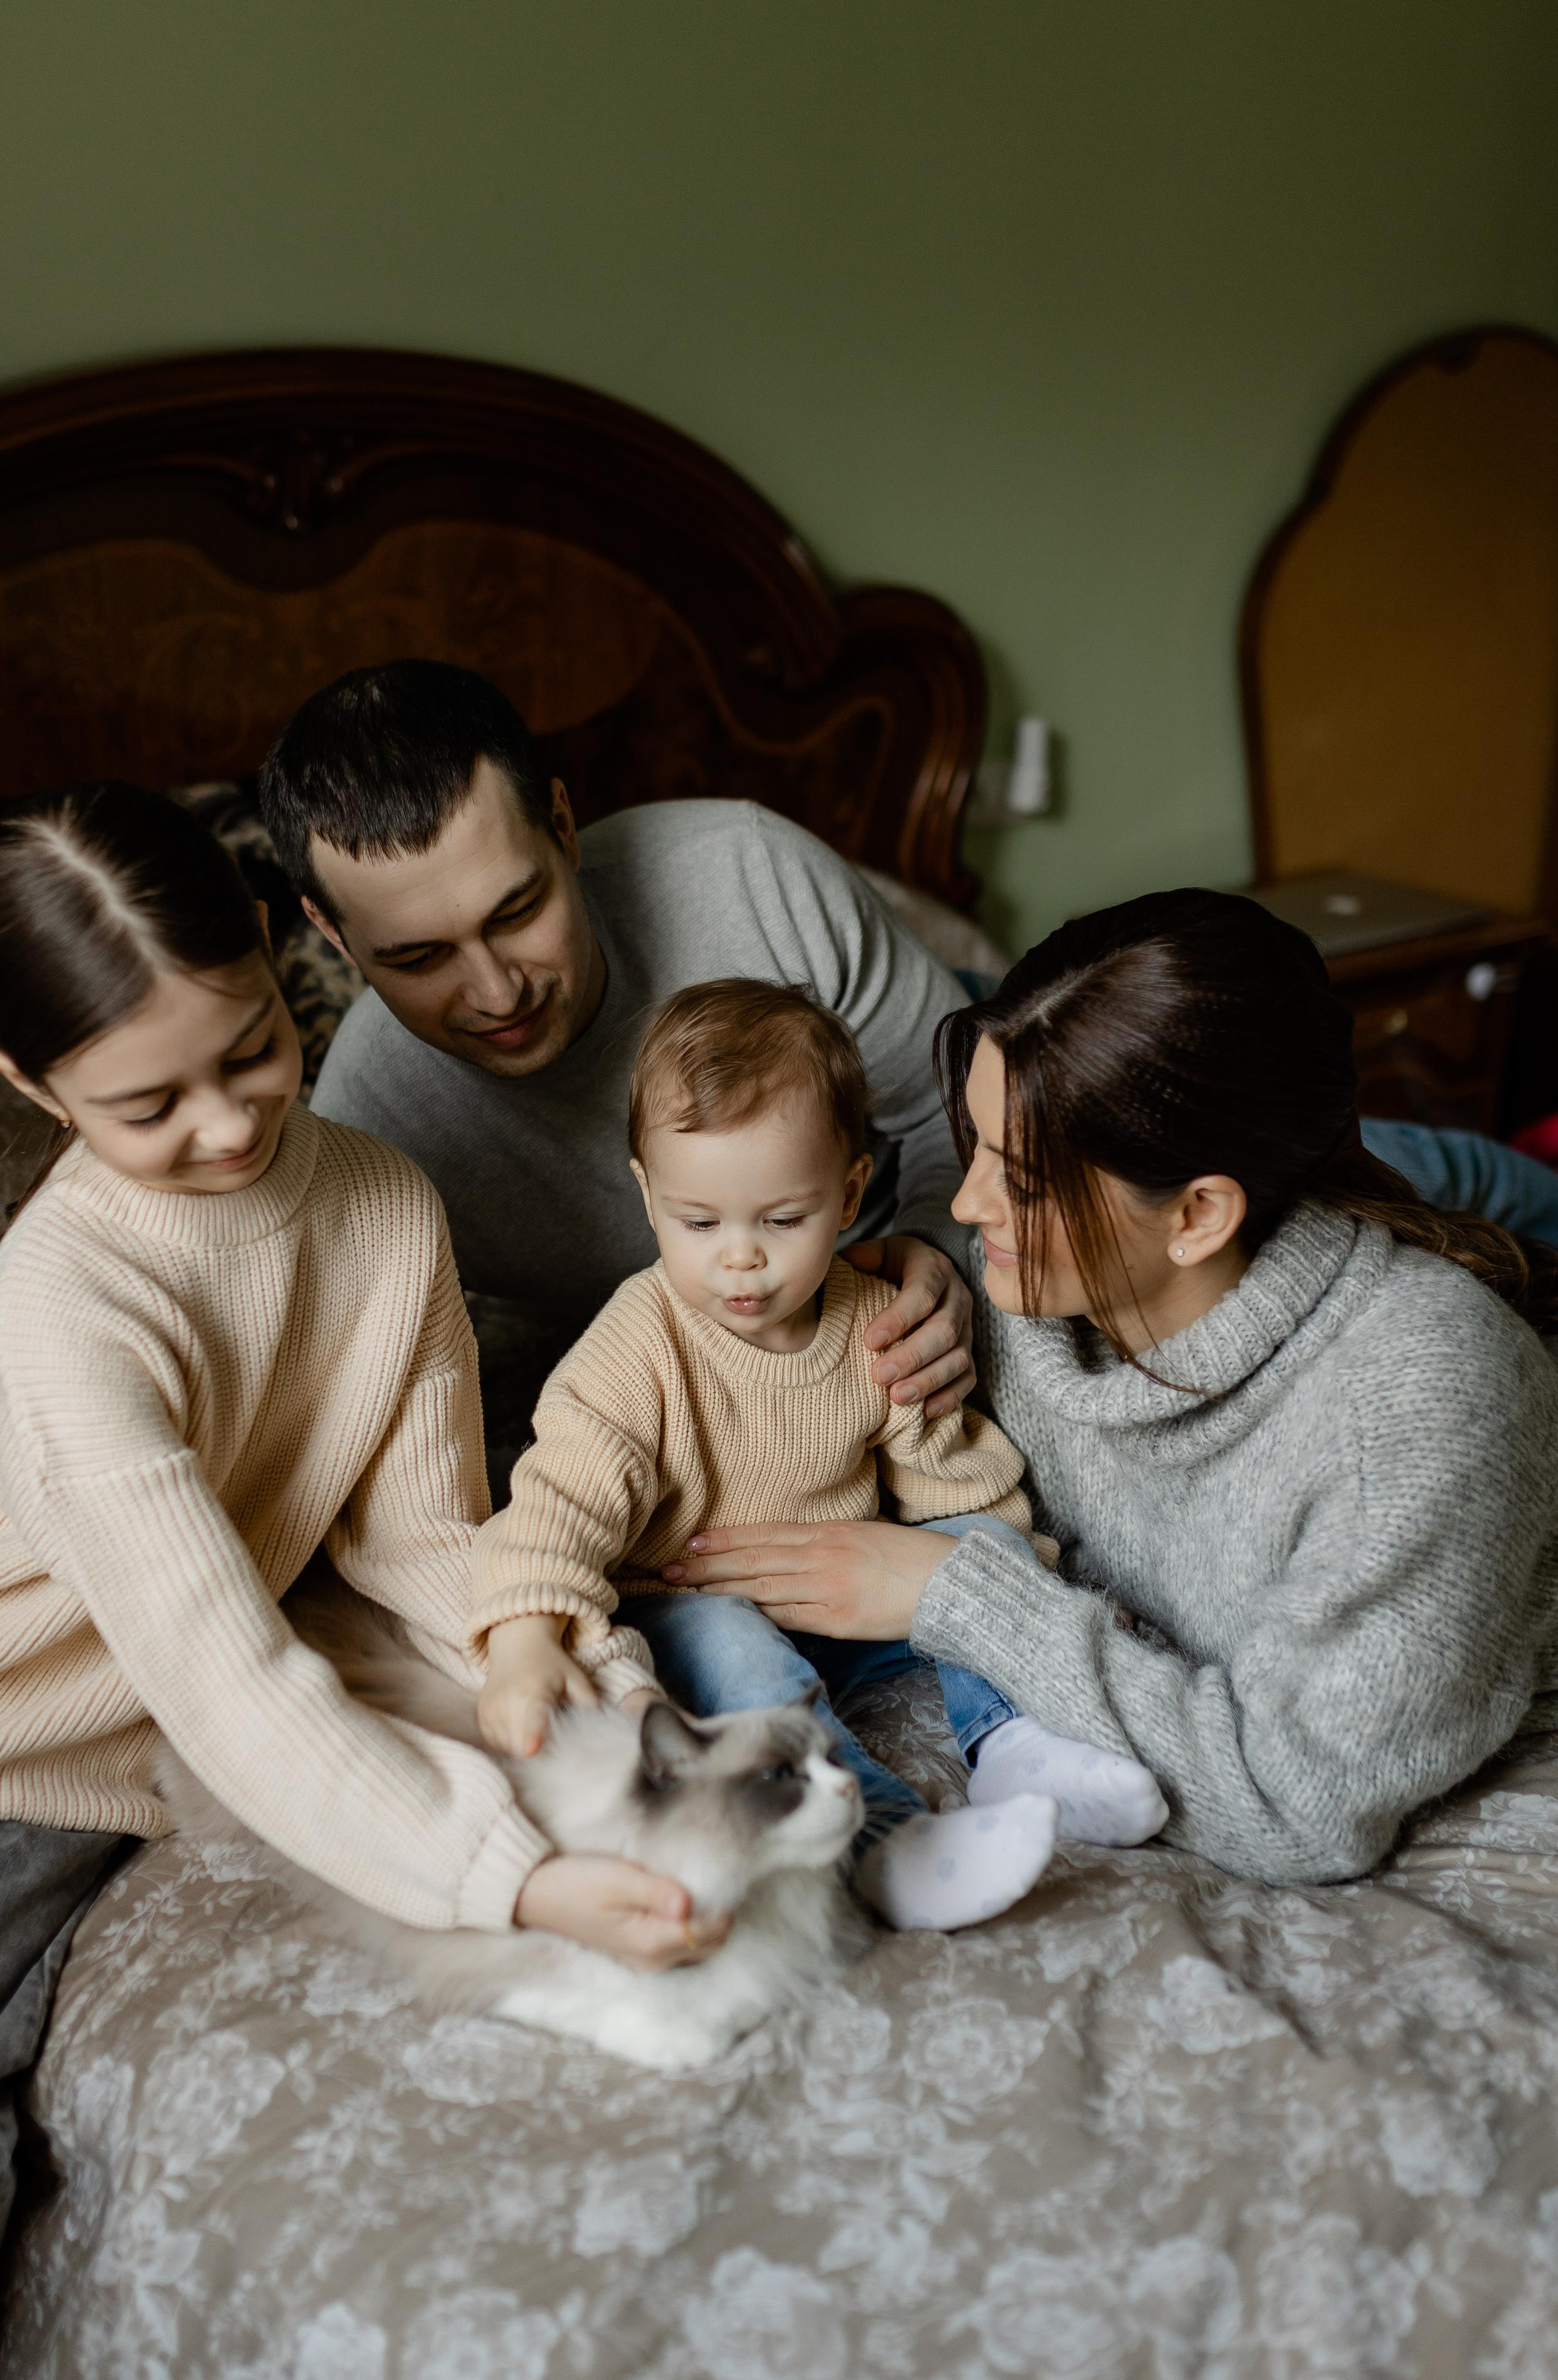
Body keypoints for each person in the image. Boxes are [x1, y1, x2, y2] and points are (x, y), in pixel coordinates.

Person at [0, 788, 716, 2380]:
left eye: (250, 1053)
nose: (229, 1123)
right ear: (30, 1090)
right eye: (145, 1104)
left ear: (283, 969)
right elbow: (235, 1683)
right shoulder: (70, 1302)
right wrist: (512, 1877)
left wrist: (605, 1688)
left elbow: (422, 1546)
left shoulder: (384, 1203)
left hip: (62, 1748)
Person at [661, 889, 1558, 1889]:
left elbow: (1304, 1812)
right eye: (978, 1148)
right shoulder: (990, 1296)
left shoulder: (1419, 1402)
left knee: (1505, 1189)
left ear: (1198, 1216)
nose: (967, 1204)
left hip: (1474, 1359)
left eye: (1023, 1184)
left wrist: (953, 1593)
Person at [469, 979, 1168, 1935]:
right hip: (694, 1602)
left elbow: (950, 1477)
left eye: (782, 1220)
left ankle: (1020, 1739)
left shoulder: (874, 1324)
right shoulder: (638, 1348)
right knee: (739, 1656)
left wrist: (1016, 1573)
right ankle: (882, 1836)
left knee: (976, 1545)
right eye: (699, 1223)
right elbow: (558, 1501)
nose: (741, 1261)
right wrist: (520, 1641)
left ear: (848, 1194)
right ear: (646, 1192)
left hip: (846, 1600)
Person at [262, 659, 984, 1424]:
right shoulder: (365, 1128)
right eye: (418, 958)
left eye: (517, 911)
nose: (499, 994)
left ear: (563, 826)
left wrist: (934, 1246)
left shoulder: (755, 878)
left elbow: (959, 1106)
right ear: (333, 935)